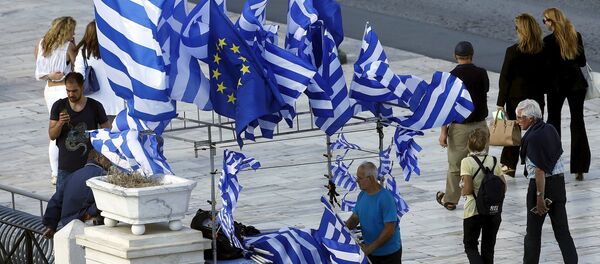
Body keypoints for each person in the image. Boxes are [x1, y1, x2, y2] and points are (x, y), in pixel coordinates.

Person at [516, 99, 577, 264]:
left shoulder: (533, 138)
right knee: (563, 232)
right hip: (558, 185)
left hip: (540, 187)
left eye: (521, 117)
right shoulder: (550, 129)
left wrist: (539, 197)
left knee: (533, 235)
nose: (518, 121)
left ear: (532, 118)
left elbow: (539, 170)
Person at [437, 41, 489, 211]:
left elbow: (447, 106)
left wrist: (443, 132)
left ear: (455, 56)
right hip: (480, 125)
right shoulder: (482, 73)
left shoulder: (451, 77)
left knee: (455, 165)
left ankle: (451, 199)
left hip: (459, 127)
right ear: (472, 55)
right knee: (480, 162)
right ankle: (481, 195)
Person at [496, 13, 546, 178]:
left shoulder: (512, 51)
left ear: (521, 30)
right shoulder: (543, 50)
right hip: (537, 98)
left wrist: (499, 103)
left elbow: (505, 79)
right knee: (535, 131)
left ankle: (509, 165)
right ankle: (532, 166)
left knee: (513, 131)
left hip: (515, 99)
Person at [542, 7, 589, 181]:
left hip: (556, 87)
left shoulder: (548, 41)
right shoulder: (575, 36)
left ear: (552, 21)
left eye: (545, 20)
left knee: (553, 123)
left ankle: (553, 163)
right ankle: (580, 167)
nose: (544, 24)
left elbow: (546, 67)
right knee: (578, 122)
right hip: (576, 85)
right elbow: (582, 62)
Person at [48, 72, 110, 192]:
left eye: (74, 91)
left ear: (82, 87)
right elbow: (52, 135)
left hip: (89, 167)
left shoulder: (95, 106)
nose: (71, 94)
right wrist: (60, 123)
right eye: (68, 91)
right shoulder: (59, 106)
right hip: (65, 167)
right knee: (61, 202)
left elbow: (107, 133)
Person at [34, 16, 77, 185]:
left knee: (55, 128)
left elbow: (39, 71)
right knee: (70, 128)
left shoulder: (41, 44)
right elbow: (77, 69)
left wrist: (50, 74)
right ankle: (69, 167)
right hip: (64, 90)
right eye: (73, 30)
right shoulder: (68, 47)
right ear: (66, 31)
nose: (74, 33)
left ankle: (54, 173)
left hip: (49, 89)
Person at [42, 150, 112, 239]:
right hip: (88, 224)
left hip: (68, 226)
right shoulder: (103, 176)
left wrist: (50, 226)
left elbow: (56, 201)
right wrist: (89, 213)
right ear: (98, 158)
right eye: (108, 159)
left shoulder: (72, 175)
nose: (111, 162)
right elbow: (103, 200)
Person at [460, 128, 505, 264]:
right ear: (486, 144)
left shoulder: (467, 162)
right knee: (488, 248)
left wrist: (462, 190)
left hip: (473, 210)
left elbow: (467, 189)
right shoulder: (493, 161)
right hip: (492, 210)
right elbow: (504, 186)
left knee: (470, 246)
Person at [345, 162, 402, 264]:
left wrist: (370, 248)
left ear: (370, 179)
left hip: (388, 255)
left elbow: (389, 230)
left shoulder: (385, 199)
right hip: (371, 252)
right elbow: (354, 218)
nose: (357, 180)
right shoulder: (362, 195)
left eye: (360, 178)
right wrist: (342, 227)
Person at [74, 20, 125, 121]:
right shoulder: (115, 49)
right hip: (116, 102)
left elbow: (78, 76)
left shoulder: (84, 53)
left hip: (93, 103)